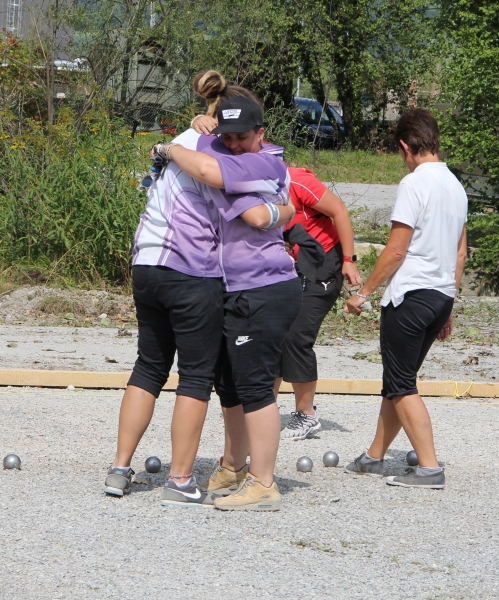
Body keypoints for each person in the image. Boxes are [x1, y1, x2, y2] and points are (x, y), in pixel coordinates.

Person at [104, 73, 295, 508]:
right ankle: (180, 478)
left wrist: (170, 144)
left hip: (146, 263)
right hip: (192, 270)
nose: (232, 142)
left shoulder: (194, 136)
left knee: (149, 366)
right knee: (194, 377)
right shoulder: (219, 149)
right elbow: (239, 196)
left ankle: (119, 468)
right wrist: (285, 211)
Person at [192, 103, 362, 442]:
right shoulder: (247, 176)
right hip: (294, 266)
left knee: (297, 337)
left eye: (244, 140)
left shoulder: (295, 178)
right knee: (277, 336)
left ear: (262, 141)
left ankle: (306, 414)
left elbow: (339, 211)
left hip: (325, 261)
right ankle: (266, 404)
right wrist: (199, 120)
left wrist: (349, 259)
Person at [167, 92, 302, 511]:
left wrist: (171, 147)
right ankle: (234, 465)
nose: (233, 144)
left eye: (242, 136)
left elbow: (259, 217)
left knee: (257, 388)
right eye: (227, 137)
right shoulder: (234, 157)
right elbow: (208, 148)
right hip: (239, 287)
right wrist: (199, 123)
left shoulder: (255, 166)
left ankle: (264, 483)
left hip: (263, 285)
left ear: (261, 134)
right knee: (231, 384)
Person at [342, 108, 468, 489]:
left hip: (411, 296)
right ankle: (374, 457)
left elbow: (396, 251)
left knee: (401, 383)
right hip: (440, 296)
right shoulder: (456, 186)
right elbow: (461, 252)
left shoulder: (414, 184)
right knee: (398, 379)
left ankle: (429, 468)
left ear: (404, 146)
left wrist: (362, 294)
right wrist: (448, 303)